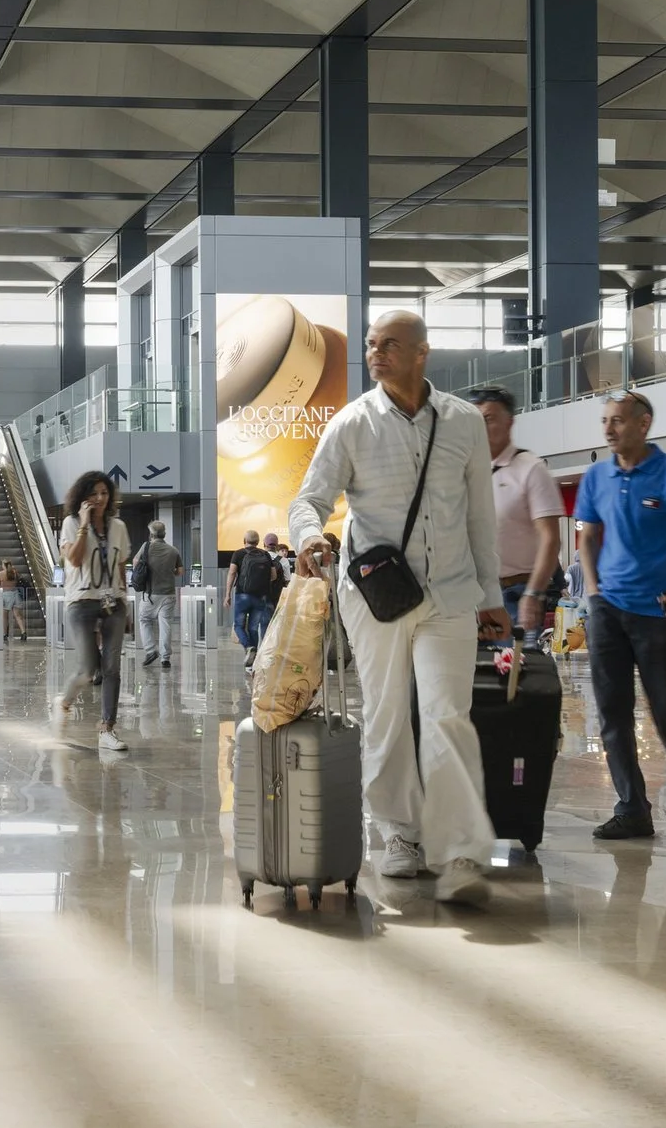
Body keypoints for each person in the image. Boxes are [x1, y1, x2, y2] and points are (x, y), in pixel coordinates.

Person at [289, 309, 507, 907]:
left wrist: (492, 598)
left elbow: (479, 519)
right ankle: (399, 834)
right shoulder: (352, 424)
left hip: (452, 592)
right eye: (370, 344)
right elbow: (308, 498)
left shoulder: (463, 421)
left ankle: (460, 848)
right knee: (386, 715)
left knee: (446, 715)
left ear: (421, 353)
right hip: (378, 596)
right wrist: (310, 537)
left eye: (389, 344)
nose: (375, 353)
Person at [572, 389, 666, 841]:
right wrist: (593, 593)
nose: (608, 429)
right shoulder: (596, 476)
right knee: (612, 714)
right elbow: (588, 537)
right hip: (608, 611)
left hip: (662, 612)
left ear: (643, 423)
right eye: (605, 421)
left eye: (617, 420)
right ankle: (632, 807)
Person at [470, 386, 564, 635]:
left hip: (518, 592)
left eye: (489, 418)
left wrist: (534, 593)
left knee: (520, 668)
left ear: (510, 422)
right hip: (473, 595)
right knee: (477, 671)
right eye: (477, 419)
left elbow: (551, 539)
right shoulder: (466, 470)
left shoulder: (530, 469)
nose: (482, 426)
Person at [56, 471, 130, 752]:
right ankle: (64, 702)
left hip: (113, 602)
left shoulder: (119, 527)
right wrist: (84, 525)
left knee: (112, 667)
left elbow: (121, 565)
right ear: (82, 497)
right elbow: (73, 560)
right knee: (88, 669)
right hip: (81, 601)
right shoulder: (70, 523)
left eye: (104, 493)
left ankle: (107, 729)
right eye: (93, 493)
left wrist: (126, 601)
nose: (100, 498)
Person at [129, 520, 183, 667]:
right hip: (169, 595)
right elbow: (180, 571)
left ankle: (150, 650)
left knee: (144, 620)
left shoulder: (146, 547)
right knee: (165, 624)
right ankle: (165, 658)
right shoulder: (173, 550)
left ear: (151, 534)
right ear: (164, 534)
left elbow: (135, 562)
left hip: (151, 594)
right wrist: (168, 571)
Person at [226, 529, 279, 654]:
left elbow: (232, 573)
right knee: (253, 628)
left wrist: (227, 594)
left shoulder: (238, 554)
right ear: (258, 542)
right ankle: (252, 662)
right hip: (261, 596)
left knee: (239, 625)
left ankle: (249, 647)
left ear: (244, 541)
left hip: (242, 595)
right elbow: (274, 576)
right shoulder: (265, 554)